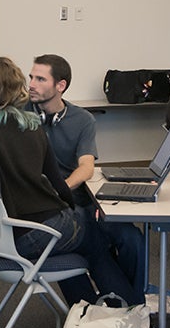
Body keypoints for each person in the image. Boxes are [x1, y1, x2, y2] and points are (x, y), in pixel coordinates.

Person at [0, 57, 140, 306]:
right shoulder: (33, 124)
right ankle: (131, 313)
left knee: (82, 241)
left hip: (6, 234)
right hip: (40, 231)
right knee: (101, 241)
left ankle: (86, 313)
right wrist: (68, 211)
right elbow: (60, 188)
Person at [27, 54, 145, 303]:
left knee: (131, 238)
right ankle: (96, 308)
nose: (31, 84)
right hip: (47, 208)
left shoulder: (82, 120)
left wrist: (62, 188)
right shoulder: (21, 114)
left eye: (40, 78)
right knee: (87, 243)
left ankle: (132, 299)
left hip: (80, 198)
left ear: (60, 85)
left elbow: (86, 167)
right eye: (31, 77)